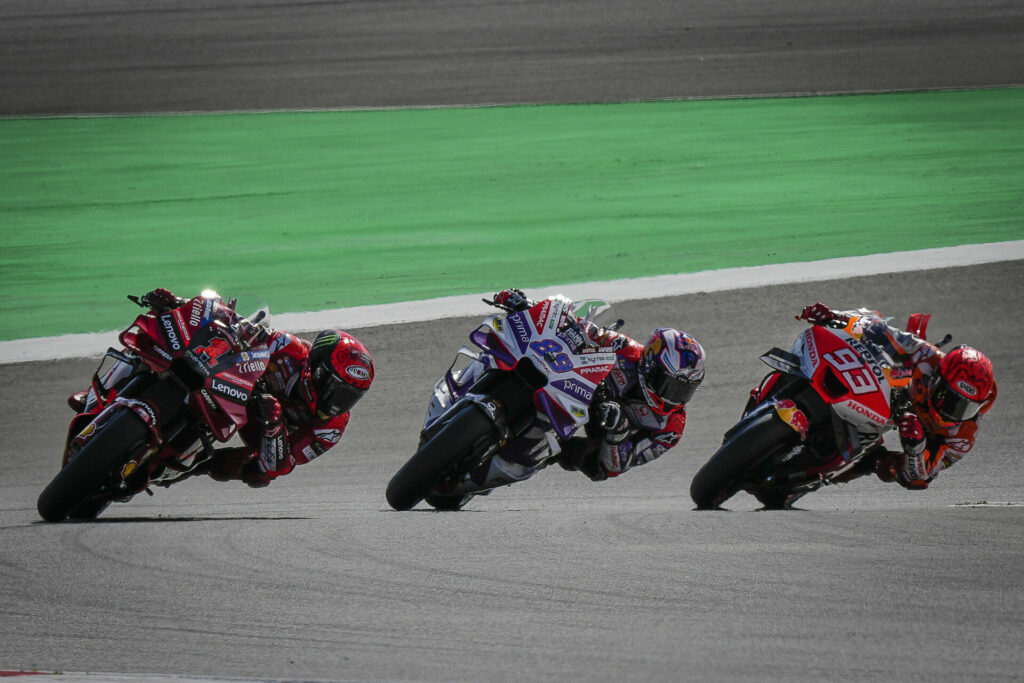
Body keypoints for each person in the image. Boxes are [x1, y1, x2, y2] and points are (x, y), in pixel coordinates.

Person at [65, 287, 374, 488]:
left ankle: (192, 465)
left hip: (262, 427)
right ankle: (100, 392)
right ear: (315, 367)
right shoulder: (291, 349)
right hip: (235, 384)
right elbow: (242, 326)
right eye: (335, 389)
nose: (338, 402)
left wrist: (273, 424)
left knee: (258, 475)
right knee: (165, 344)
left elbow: (278, 465)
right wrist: (180, 304)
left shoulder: (330, 428)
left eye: (349, 396)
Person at [426, 288, 706, 508]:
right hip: (579, 390)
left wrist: (618, 432)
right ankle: (465, 390)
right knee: (506, 353)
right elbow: (582, 328)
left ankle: (528, 458)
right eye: (668, 384)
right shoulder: (627, 351)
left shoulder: (670, 428)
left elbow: (615, 467)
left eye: (683, 390)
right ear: (650, 363)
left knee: (585, 460)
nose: (673, 396)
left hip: (603, 439)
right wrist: (529, 307)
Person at [797, 302, 996, 489]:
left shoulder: (963, 436)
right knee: (872, 324)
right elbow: (883, 332)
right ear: (938, 378)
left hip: (917, 437)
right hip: (894, 396)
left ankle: (854, 467)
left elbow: (921, 476)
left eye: (965, 408)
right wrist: (833, 316)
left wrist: (916, 447)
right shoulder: (929, 357)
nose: (951, 412)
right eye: (949, 399)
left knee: (900, 473)